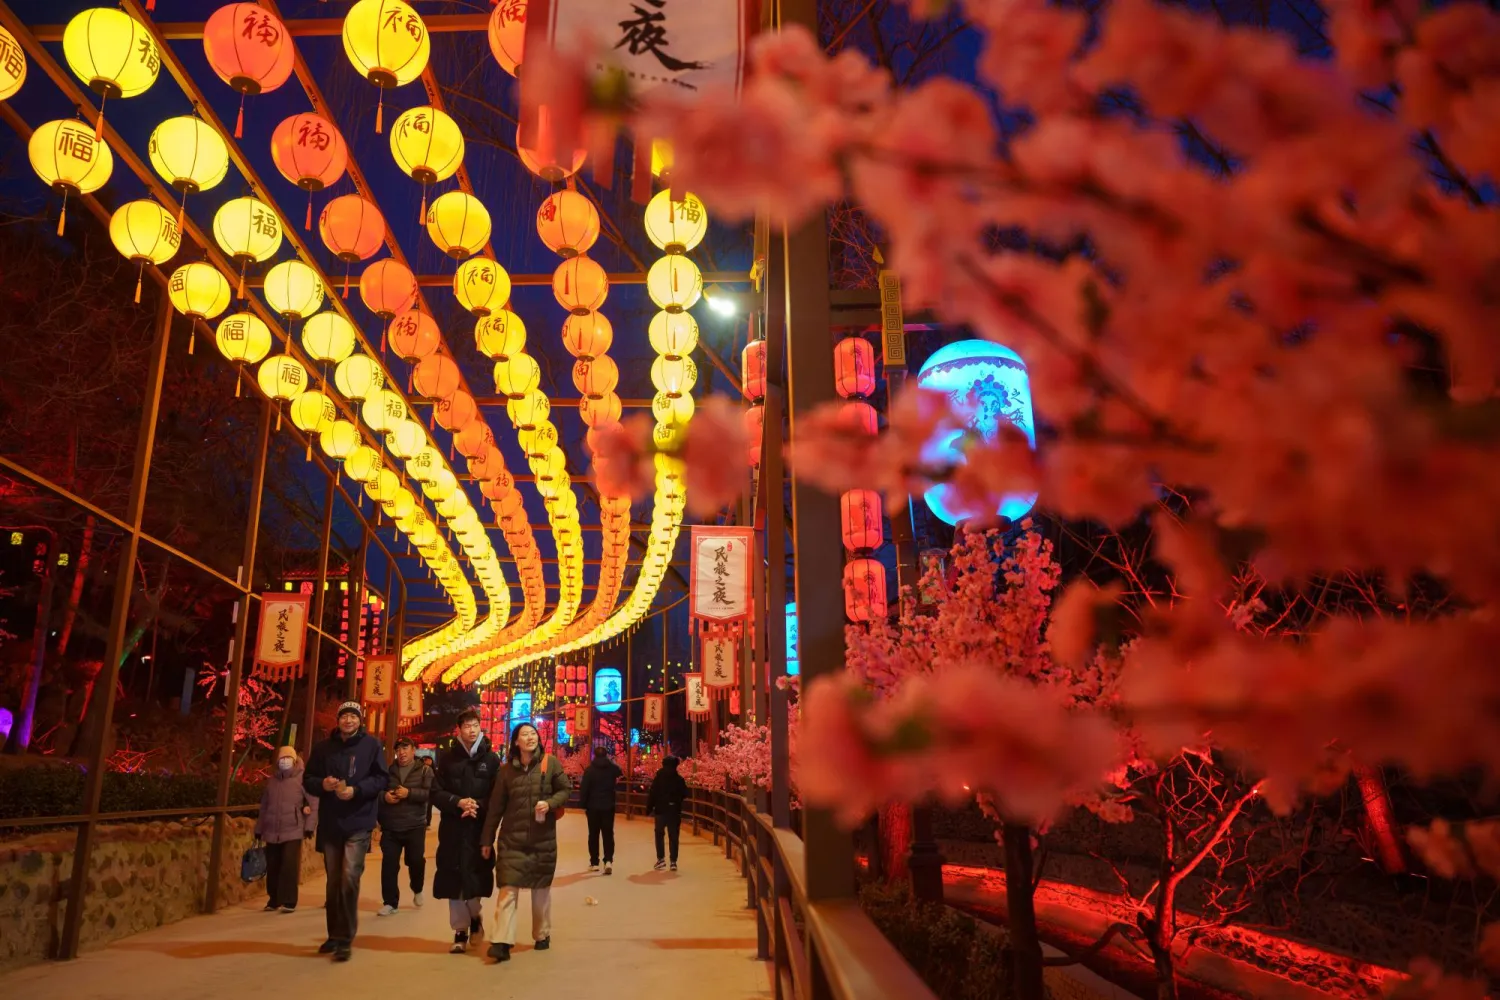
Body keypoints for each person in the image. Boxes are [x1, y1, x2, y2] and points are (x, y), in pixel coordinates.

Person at [304, 701, 388, 962]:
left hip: (359, 821)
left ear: (360, 720)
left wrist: (357, 790)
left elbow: (382, 778)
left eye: (353, 716)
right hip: (331, 823)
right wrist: (324, 785)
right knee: (334, 881)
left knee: (350, 876)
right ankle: (334, 935)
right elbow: (308, 779)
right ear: (338, 720)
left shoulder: (372, 746)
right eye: (344, 716)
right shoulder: (323, 749)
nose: (348, 721)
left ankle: (345, 938)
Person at [479, 722, 571, 963]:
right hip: (512, 840)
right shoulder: (506, 771)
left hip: (543, 840)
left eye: (533, 734)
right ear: (516, 742)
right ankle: (501, 942)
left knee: (540, 891)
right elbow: (495, 807)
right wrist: (487, 839)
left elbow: (565, 789)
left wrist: (550, 803)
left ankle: (542, 934)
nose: (530, 738)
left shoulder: (550, 764)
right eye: (524, 735)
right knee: (507, 890)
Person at [431, 709, 501, 954]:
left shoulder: (492, 760)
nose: (471, 730)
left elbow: (497, 795)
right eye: (467, 726)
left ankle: (475, 916)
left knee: (474, 876)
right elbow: (436, 792)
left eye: (475, 725)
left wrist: (477, 806)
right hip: (452, 827)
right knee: (453, 877)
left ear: (481, 727)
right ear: (458, 730)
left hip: (478, 828)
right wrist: (457, 802)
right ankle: (459, 931)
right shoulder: (448, 759)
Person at [254, 745, 317, 912]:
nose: (285, 761)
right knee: (273, 865)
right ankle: (274, 899)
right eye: (282, 758)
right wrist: (259, 828)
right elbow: (264, 806)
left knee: (289, 864)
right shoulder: (272, 780)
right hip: (272, 830)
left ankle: (289, 900)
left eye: (288, 758)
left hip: (293, 828)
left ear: (295, 760)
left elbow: (314, 802)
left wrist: (310, 826)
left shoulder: (303, 778)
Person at [377, 736, 433, 916]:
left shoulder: (424, 770)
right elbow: (378, 792)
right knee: (389, 865)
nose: (401, 752)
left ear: (413, 750)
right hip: (391, 826)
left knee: (416, 861)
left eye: (405, 748)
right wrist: (384, 797)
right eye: (398, 749)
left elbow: (431, 794)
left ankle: (417, 888)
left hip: (415, 825)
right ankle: (390, 902)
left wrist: (409, 793)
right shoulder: (389, 771)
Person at [578, 746, 622, 874]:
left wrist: (583, 804)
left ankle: (594, 862)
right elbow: (620, 773)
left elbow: (584, 789)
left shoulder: (590, 770)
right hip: (608, 805)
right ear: (606, 755)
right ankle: (608, 860)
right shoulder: (612, 768)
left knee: (593, 834)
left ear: (594, 755)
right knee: (608, 833)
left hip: (593, 807)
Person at [646, 755, 688, 872]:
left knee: (659, 834)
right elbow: (685, 793)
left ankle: (661, 859)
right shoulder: (679, 779)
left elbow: (652, 794)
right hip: (674, 811)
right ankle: (673, 861)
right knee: (673, 836)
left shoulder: (658, 778)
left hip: (660, 810)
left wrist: (649, 808)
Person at [422, 755, 436, 827]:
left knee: (428, 807)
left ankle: (427, 822)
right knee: (426, 807)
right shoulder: (423, 768)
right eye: (426, 760)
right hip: (425, 791)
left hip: (430, 791)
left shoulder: (432, 770)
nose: (428, 761)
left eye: (430, 760)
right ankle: (426, 821)